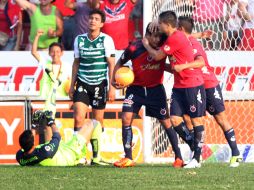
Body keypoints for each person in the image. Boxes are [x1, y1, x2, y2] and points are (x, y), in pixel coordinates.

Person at [112, 23, 184, 168]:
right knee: (126, 118)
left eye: (160, 36)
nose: (158, 39)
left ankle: (178, 157)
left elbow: (172, 57)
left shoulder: (164, 47)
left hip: (155, 90)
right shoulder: (134, 48)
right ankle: (128, 157)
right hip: (135, 89)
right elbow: (119, 62)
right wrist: (114, 79)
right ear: (147, 35)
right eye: (155, 36)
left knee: (166, 122)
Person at [142, 11, 206, 169]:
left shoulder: (175, 38)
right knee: (175, 119)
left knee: (196, 120)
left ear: (167, 25)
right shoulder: (173, 37)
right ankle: (195, 147)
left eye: (160, 23)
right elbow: (171, 64)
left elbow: (157, 56)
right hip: (179, 86)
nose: (158, 26)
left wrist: (145, 43)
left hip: (192, 83)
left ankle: (196, 158)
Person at [178, 16, 242, 167]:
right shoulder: (183, 41)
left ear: (180, 29)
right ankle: (196, 155)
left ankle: (236, 154)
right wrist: (200, 34)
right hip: (193, 85)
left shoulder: (193, 44)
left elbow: (199, 60)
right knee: (187, 118)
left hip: (208, 85)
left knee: (220, 118)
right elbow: (186, 36)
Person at [69, 9, 115, 163]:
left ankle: (96, 156)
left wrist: (112, 87)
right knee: (78, 117)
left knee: (97, 120)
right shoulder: (79, 40)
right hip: (82, 82)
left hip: (99, 84)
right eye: (90, 18)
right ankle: (80, 155)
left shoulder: (106, 40)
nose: (92, 21)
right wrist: (71, 86)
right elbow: (76, 63)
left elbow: (111, 64)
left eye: (96, 19)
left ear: (102, 23)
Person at [16, 110, 103, 166]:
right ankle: (95, 159)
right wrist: (51, 121)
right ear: (33, 142)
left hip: (57, 154)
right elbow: (57, 136)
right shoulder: (45, 152)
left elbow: (32, 139)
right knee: (94, 123)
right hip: (68, 154)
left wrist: (35, 124)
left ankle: (82, 160)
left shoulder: (20, 157)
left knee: (46, 126)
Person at [31, 30, 69, 117]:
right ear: (49, 53)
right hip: (45, 100)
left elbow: (71, 83)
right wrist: (37, 36)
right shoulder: (45, 64)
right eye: (52, 51)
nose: (55, 54)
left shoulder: (67, 66)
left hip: (61, 100)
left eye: (58, 51)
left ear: (62, 53)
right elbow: (34, 52)